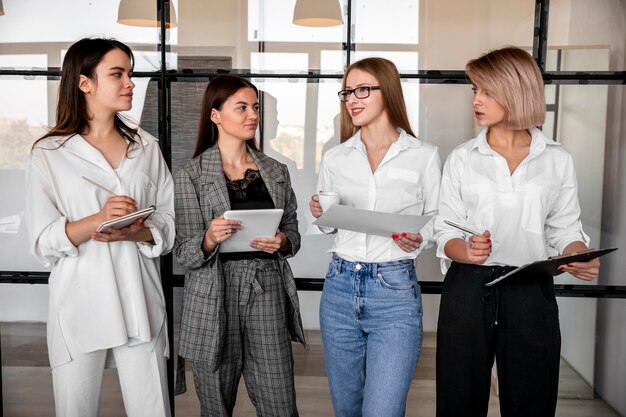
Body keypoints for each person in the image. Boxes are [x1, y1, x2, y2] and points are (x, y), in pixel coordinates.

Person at [434, 46, 600, 417]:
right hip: (468, 289)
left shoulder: (557, 158)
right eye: (474, 89)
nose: (476, 100)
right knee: (458, 402)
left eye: (486, 91)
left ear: (516, 91)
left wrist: (578, 255)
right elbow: (444, 228)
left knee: (532, 402)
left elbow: (565, 228)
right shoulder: (462, 158)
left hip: (530, 290)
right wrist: (466, 250)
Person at [25, 38, 175, 417]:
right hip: (80, 303)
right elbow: (42, 241)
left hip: (140, 301)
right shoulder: (49, 152)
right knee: (75, 409)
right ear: (84, 82)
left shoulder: (146, 147)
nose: (130, 83)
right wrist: (97, 220)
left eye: (130, 73)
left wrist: (136, 231)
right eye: (117, 74)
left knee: (153, 409)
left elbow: (171, 223)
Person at [309, 57, 442, 417]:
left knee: (382, 410)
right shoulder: (336, 157)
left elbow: (436, 220)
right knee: (346, 409)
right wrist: (321, 215)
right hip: (338, 288)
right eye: (348, 91)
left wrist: (420, 238)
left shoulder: (423, 156)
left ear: (389, 91)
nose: (352, 98)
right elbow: (327, 226)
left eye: (363, 89)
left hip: (394, 292)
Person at [174, 74, 306, 417]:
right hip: (214, 294)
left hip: (267, 289)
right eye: (242, 107)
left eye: (256, 107)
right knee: (215, 403)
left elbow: (293, 233)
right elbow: (184, 253)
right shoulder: (191, 175)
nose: (253, 115)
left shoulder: (276, 171)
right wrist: (208, 238)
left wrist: (282, 241)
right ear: (216, 115)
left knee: (279, 401)